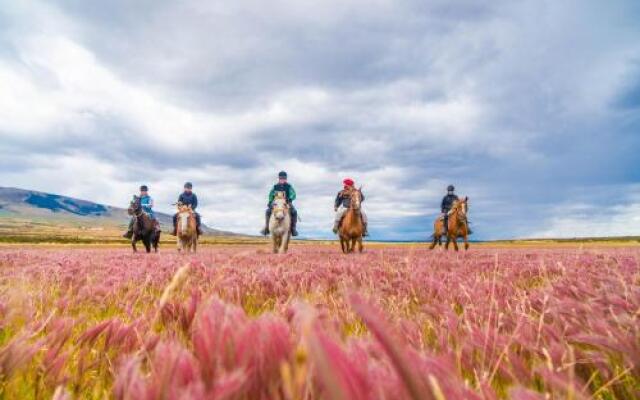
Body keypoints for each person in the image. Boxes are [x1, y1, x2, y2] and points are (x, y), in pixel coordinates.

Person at [261, 171, 298, 236]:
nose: (282, 179)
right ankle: (266, 228)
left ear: (286, 179)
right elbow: (271, 195)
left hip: (286, 203)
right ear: (279, 178)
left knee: (294, 212)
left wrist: (290, 198)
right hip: (276, 204)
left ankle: (293, 229)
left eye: (284, 178)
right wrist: (270, 201)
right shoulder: (275, 187)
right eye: (281, 178)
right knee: (267, 211)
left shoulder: (289, 186)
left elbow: (293, 194)